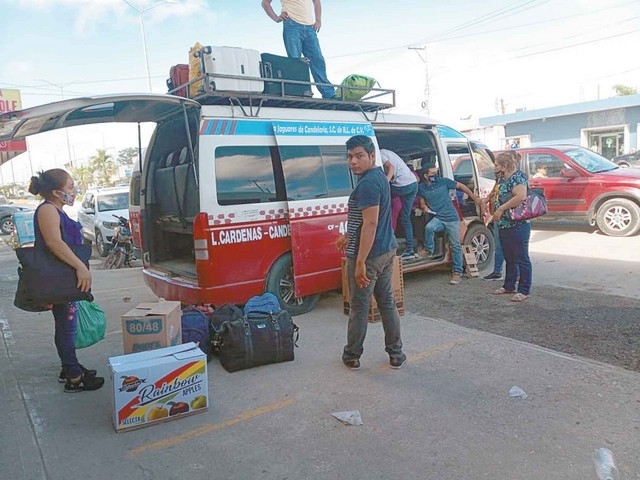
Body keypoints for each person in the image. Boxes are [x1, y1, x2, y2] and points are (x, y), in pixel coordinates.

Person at [28, 169, 105, 392]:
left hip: (64, 278)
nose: (74, 190)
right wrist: (81, 267)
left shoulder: (56, 210)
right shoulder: (48, 210)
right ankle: (73, 376)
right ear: (56, 192)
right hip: (59, 280)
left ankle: (69, 366)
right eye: (70, 187)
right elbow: (54, 243)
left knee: (66, 324)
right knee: (66, 327)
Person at [336, 135, 405, 371]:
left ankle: (352, 356)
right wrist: (348, 236)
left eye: (359, 156)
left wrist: (360, 262)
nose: (352, 161)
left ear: (372, 156)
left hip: (371, 255)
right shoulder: (377, 177)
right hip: (387, 250)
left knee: (359, 308)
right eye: (349, 156)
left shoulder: (367, 184)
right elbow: (366, 218)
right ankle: (396, 354)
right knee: (387, 303)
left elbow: (372, 224)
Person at [416, 163, 480, 285]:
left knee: (455, 245)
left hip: (452, 218)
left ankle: (457, 272)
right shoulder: (421, 187)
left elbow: (461, 186)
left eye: (436, 173)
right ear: (425, 175)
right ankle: (429, 249)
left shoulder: (443, 181)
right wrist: (423, 205)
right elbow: (421, 198)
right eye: (432, 174)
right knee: (429, 228)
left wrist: (474, 197)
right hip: (439, 217)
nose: (436, 175)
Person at [261, 0, 336, 99]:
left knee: (317, 60)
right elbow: (265, 3)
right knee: (296, 62)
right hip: (292, 25)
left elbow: (316, 2)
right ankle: (300, 92)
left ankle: (328, 94)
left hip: (310, 27)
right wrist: (276, 18)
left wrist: (318, 20)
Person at [491, 151, 532, 302]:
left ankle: (524, 289)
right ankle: (509, 285)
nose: (493, 166)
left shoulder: (518, 177)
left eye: (496, 164)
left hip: (518, 224)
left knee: (521, 257)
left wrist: (501, 209)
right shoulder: (502, 178)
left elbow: (520, 196)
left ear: (504, 165)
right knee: (509, 257)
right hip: (504, 223)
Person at [381, 149, 418, 261]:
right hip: (413, 184)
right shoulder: (388, 152)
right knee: (405, 218)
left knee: (379, 199)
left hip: (402, 186)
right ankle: (409, 250)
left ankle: (389, 249)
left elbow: (391, 168)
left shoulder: (380, 155)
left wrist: (385, 182)